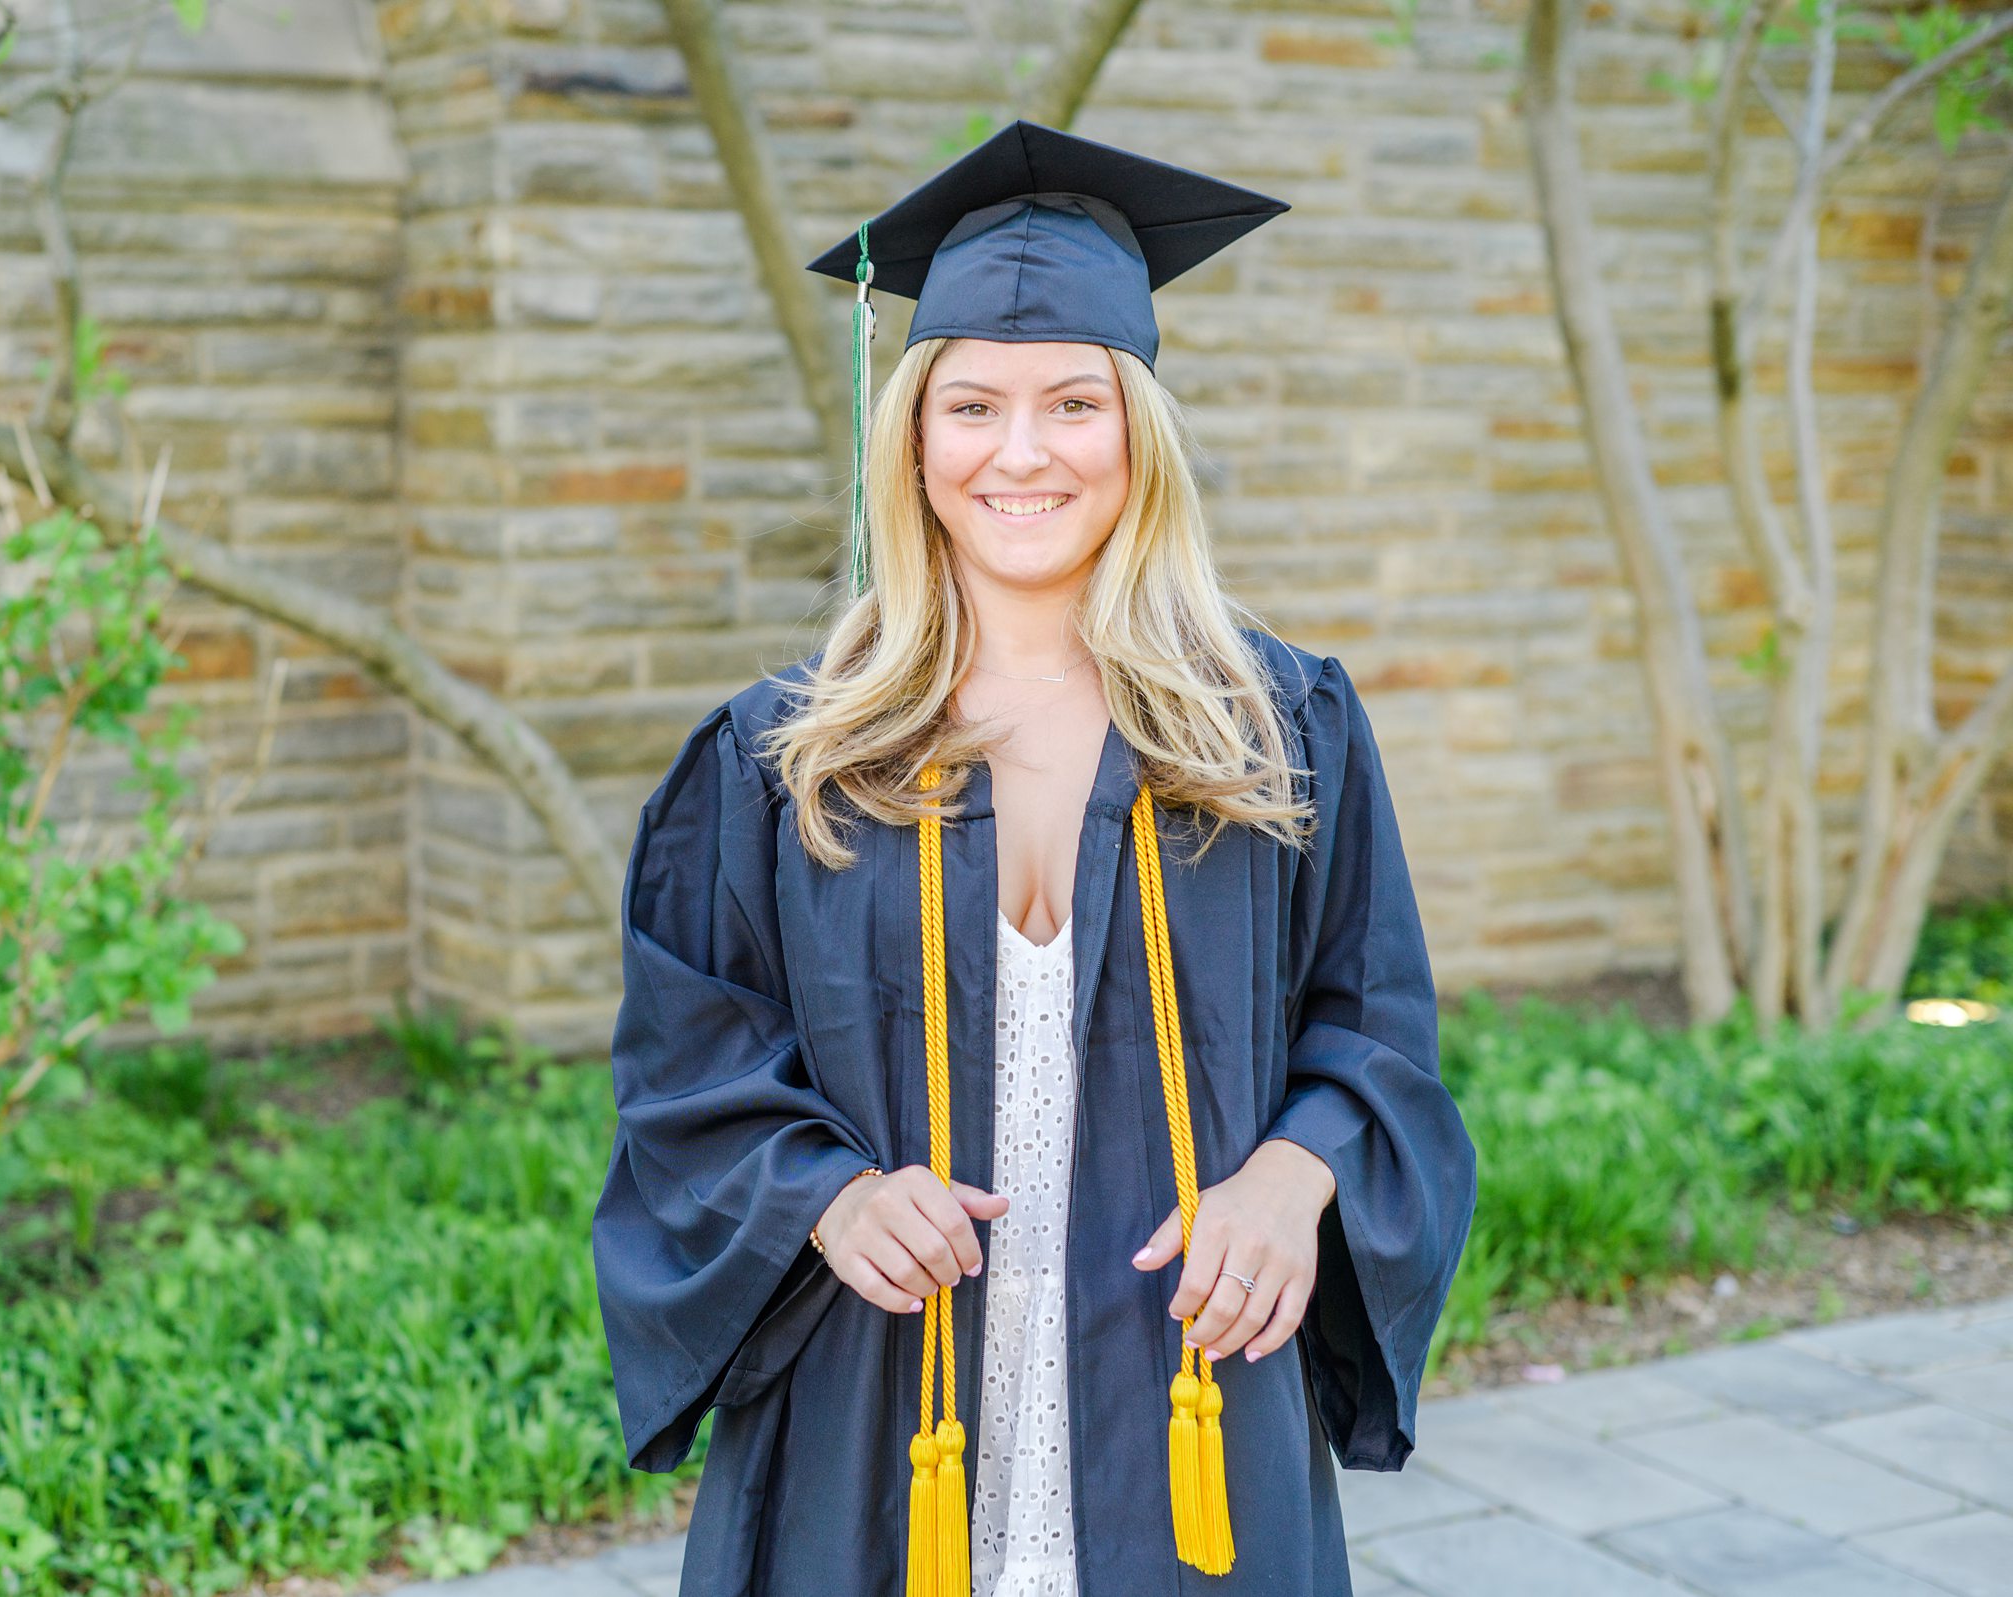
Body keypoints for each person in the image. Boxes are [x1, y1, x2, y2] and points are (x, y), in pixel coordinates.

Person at [592, 120, 1479, 1597]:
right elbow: (687, 1072)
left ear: (1140, 429)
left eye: (1075, 401)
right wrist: (828, 1193)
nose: (1021, 452)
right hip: (877, 1424)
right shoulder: (782, 757)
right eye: (972, 406)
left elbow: (1374, 1023)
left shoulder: (1279, 731)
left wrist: (1296, 1176)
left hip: (1187, 1411)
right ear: (914, 438)